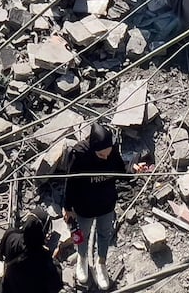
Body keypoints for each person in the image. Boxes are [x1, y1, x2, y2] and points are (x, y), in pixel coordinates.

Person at [62, 123, 127, 290]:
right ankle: (82, 259)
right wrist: (67, 208)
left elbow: (122, 171)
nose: (105, 157)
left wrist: (134, 169)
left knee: (104, 235)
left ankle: (101, 263)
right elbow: (70, 182)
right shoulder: (80, 155)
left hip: (106, 205)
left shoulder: (111, 152)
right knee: (81, 235)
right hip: (85, 207)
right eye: (101, 155)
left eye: (107, 154)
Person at [0, 215, 62, 293]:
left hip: (9, 288)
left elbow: (1, 254)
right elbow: (56, 285)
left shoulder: (11, 235)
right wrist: (55, 259)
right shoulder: (45, 260)